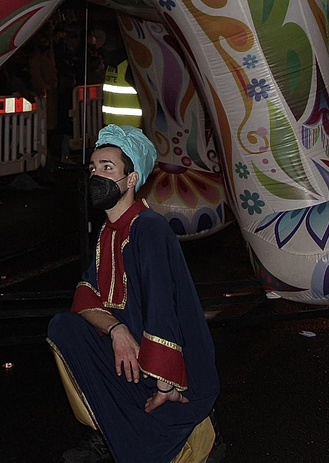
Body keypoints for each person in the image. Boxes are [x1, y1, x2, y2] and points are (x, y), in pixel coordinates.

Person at [47, 125, 223, 463]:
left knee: (145, 447)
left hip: (170, 367)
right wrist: (117, 330)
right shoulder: (108, 231)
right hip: (133, 352)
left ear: (131, 179)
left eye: (107, 168)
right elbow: (86, 295)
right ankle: (108, 429)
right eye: (93, 168)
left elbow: (162, 309)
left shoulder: (149, 228)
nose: (96, 175)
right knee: (64, 327)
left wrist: (166, 385)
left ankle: (195, 429)